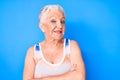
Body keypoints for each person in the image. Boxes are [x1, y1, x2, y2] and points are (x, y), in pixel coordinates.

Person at [23, 4, 85, 80]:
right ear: (42, 26)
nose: (60, 26)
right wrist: (69, 75)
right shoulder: (32, 52)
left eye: (62, 21)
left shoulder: (72, 46)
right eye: (53, 21)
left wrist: (43, 79)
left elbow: (80, 77)